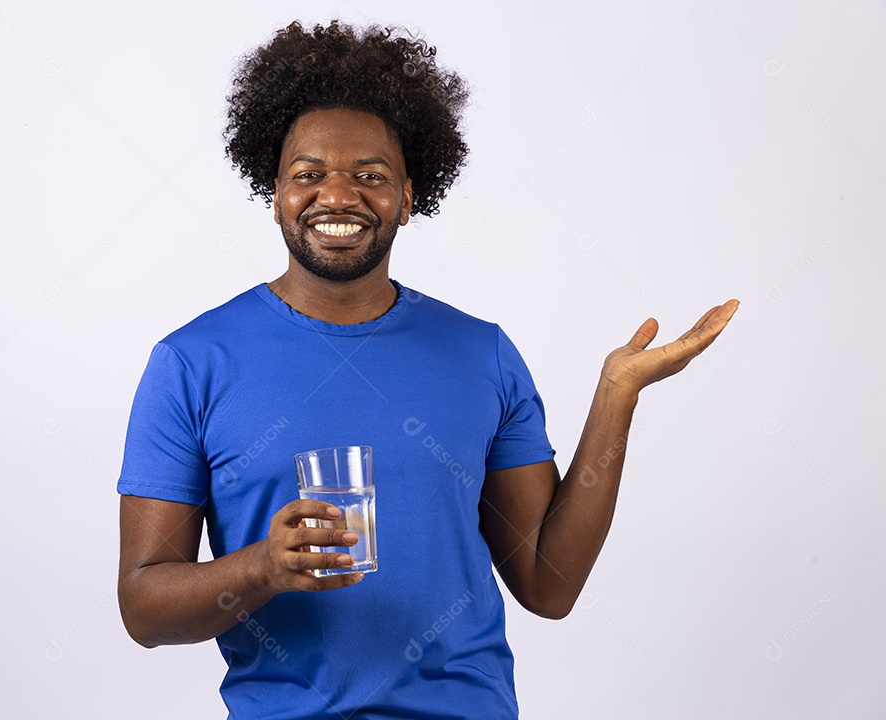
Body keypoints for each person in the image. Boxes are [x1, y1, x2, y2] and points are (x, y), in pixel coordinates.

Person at [115, 20, 738, 720]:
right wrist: (263, 568)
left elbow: (549, 584)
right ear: (277, 194)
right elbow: (143, 607)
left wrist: (616, 395)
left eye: (370, 176)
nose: (338, 196)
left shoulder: (482, 353)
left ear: (409, 197)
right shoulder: (191, 363)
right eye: (309, 175)